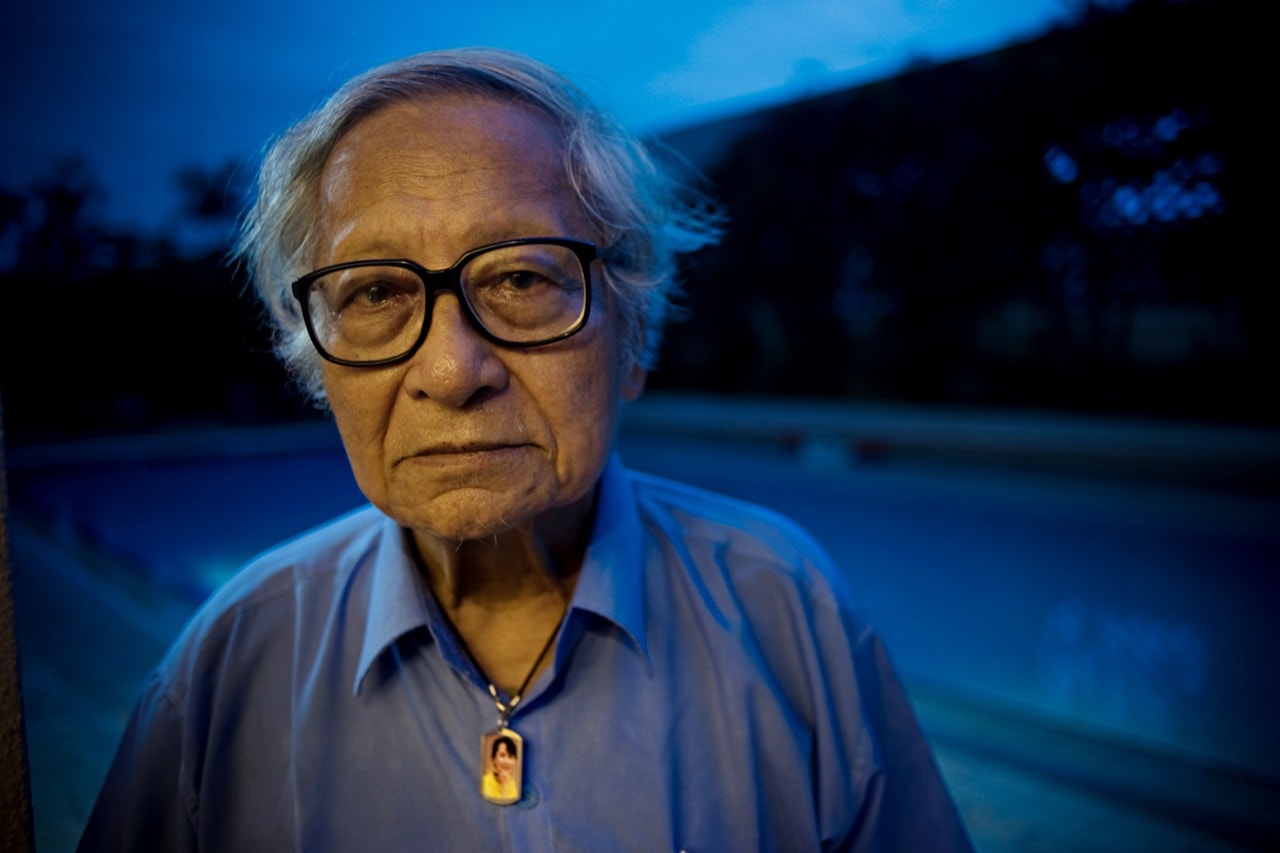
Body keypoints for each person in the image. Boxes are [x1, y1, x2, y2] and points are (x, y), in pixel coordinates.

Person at [79, 47, 972, 851]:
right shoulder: (229, 665)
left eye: (520, 277)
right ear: (318, 366)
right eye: (377, 292)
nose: (451, 368)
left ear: (635, 337)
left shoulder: (785, 607)